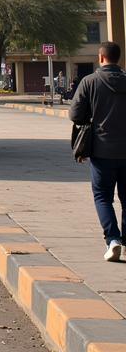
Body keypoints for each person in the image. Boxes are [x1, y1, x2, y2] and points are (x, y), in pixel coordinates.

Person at [70, 41, 126, 262]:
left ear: (101, 58)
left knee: (103, 197)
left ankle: (113, 240)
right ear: (118, 59)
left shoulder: (90, 82)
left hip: (102, 150)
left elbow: (75, 115)